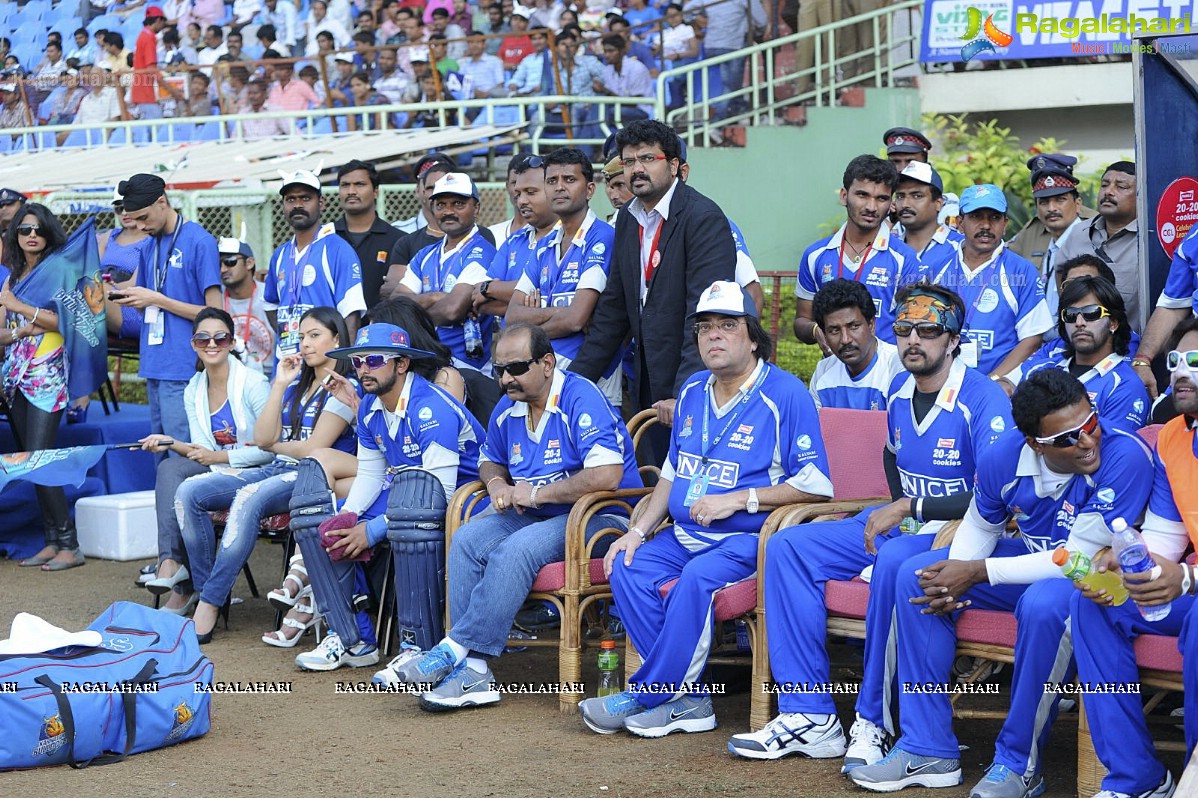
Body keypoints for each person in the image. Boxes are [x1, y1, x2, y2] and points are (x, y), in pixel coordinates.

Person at [729, 282, 1015, 769]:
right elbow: (893, 460)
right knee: (787, 546)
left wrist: (910, 507)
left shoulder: (983, 399)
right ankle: (810, 714)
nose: (913, 340)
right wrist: (898, 505)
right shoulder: (900, 393)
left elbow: (1000, 498)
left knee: (894, 564)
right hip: (898, 524)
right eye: (904, 329)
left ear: (953, 338)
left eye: (928, 330)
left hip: (957, 537)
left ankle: (873, 722)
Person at [848, 369, 1153, 795]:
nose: (1086, 441)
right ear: (1034, 443)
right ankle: (926, 745)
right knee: (921, 577)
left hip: (1102, 581)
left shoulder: (1125, 454)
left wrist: (975, 572)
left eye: (1090, 424)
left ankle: (1017, 764)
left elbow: (1075, 559)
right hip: (1031, 564)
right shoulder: (1003, 457)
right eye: (1066, 438)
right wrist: (956, 575)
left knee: (1044, 603)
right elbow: (980, 526)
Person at [579, 281, 832, 736]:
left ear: (752, 336)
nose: (714, 336)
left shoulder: (785, 395)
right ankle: (689, 701)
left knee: (695, 582)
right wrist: (637, 531)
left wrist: (739, 500)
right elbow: (673, 474)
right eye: (705, 327)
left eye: (727, 326)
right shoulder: (694, 390)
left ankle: (649, 693)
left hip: (748, 542)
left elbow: (816, 486)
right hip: (683, 536)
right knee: (625, 563)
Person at [377, 322, 640, 707]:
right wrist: (498, 485)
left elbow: (607, 475)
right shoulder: (510, 405)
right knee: (467, 539)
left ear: (547, 363)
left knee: (516, 548)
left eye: (516, 368)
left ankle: (454, 649)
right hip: (541, 514)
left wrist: (536, 493)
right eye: (499, 369)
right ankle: (477, 673)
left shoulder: (580, 397)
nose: (504, 379)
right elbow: (488, 460)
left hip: (601, 517)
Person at [292, 322, 483, 671]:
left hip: (469, 501)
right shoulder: (368, 405)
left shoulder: (430, 407)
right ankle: (352, 638)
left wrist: (373, 529)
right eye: (358, 361)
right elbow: (371, 474)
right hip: (408, 495)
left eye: (374, 360)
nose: (363, 368)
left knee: (407, 519)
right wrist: (348, 516)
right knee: (326, 524)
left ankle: (418, 647)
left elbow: (442, 491)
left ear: (402, 364)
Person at [1068, 318, 1198, 798]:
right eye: (1176, 362)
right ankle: (1136, 776)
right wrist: (1131, 567)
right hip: (1190, 584)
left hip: (1195, 590)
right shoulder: (1172, 437)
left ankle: (1192, 778)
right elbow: (1164, 540)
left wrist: (1184, 578)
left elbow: (1181, 572)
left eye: (1196, 363)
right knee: (1098, 604)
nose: (1181, 372)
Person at [176, 308, 357, 642]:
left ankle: (210, 602)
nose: (305, 343)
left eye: (315, 335)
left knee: (247, 498)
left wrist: (279, 445)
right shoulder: (297, 385)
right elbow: (262, 439)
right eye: (301, 336)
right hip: (277, 468)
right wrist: (279, 385)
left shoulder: (344, 388)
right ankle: (207, 591)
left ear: (337, 339)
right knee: (189, 493)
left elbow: (314, 448)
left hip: (311, 478)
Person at [570, 119, 736, 426]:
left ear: (674, 166)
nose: (637, 169)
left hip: (694, 386)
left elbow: (705, 315)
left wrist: (685, 392)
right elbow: (614, 310)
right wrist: (569, 386)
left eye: (648, 158)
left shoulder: (703, 218)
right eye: (629, 161)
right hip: (645, 381)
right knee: (650, 471)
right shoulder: (627, 219)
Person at [139, 307, 272, 614]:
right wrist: (171, 443)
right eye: (203, 338)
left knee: (188, 487)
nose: (211, 345)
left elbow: (271, 450)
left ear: (232, 342)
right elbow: (202, 449)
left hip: (258, 471)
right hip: (218, 469)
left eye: (220, 338)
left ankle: (194, 589)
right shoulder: (194, 388)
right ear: (193, 343)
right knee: (171, 467)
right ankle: (170, 562)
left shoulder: (253, 383)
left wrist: (221, 456)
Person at [2, 205, 91, 571]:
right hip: (15, 375)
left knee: (40, 457)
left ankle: (70, 543)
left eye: (38, 229)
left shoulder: (58, 270)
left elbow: (69, 318)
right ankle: (52, 540)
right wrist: (20, 328)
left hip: (48, 375)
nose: (31, 235)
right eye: (24, 230)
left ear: (49, 233)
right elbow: (7, 327)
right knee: (30, 460)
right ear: (15, 236)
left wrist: (19, 309)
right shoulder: (13, 274)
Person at [115, 173, 221, 453]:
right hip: (154, 363)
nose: (139, 226)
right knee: (159, 455)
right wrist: (133, 298)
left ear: (162, 201)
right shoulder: (149, 245)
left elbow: (217, 314)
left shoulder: (200, 241)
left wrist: (159, 300)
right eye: (133, 220)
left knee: (183, 454)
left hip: (185, 365)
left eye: (143, 217)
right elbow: (149, 297)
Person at [507, 148, 618, 404]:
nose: (559, 187)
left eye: (569, 180)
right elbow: (512, 316)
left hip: (592, 381)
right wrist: (562, 312)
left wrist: (536, 319)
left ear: (589, 190)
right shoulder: (544, 245)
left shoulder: (602, 237)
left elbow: (576, 320)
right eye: (551, 181)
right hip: (544, 377)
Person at [793, 155, 923, 349]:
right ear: (844, 196)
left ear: (891, 204)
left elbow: (915, 326)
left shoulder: (905, 259)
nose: (871, 207)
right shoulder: (815, 255)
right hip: (833, 371)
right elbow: (802, 320)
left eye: (881, 198)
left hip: (889, 374)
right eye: (862, 195)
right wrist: (816, 331)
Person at [933, 184, 1053, 377]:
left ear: (1005, 224)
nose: (986, 226)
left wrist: (993, 382)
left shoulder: (1022, 271)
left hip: (998, 386)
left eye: (995, 218)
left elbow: (1032, 339)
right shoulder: (936, 269)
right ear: (960, 223)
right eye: (976, 217)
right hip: (941, 383)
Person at [397, 172, 499, 374]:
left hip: (468, 369)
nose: (448, 211)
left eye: (458, 204)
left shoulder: (482, 251)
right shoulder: (424, 255)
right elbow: (396, 304)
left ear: (476, 207)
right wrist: (435, 297)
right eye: (441, 205)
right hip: (426, 363)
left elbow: (452, 310)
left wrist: (414, 312)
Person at [1020, 276, 1148, 432]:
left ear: (1113, 323)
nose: (1079, 322)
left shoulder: (1125, 385)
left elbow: (1110, 450)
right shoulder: (1037, 371)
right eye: (1070, 315)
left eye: (1091, 313)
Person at [265, 168, 366, 358]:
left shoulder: (338, 249)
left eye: (305, 198)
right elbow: (270, 304)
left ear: (321, 203)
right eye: (291, 199)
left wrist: (345, 365)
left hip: (325, 365)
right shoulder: (279, 255)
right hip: (286, 365)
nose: (298, 205)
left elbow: (350, 314)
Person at [1055, 161, 1141, 327]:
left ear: (1141, 194)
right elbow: (1060, 271)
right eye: (1104, 185)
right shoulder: (1079, 232)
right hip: (1081, 340)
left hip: (1131, 345)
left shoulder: (1149, 240)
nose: (1108, 192)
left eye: (1121, 187)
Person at [1006, 154, 1095, 314]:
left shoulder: (1094, 235)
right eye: (1044, 202)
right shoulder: (1030, 234)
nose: (1051, 208)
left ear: (1077, 204)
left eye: (1060, 200)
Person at [472, 154, 556, 320]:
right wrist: (525, 304)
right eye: (518, 193)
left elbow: (552, 293)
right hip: (508, 340)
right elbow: (478, 299)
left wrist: (490, 289)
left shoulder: (569, 237)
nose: (521, 201)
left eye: (530, 192)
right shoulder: (514, 240)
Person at [808, 278, 901, 410]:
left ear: (871, 325)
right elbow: (814, 428)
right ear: (824, 334)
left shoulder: (897, 366)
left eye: (854, 326)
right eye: (834, 330)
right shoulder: (823, 372)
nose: (845, 339)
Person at [1136, 207, 1198, 400]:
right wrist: (1142, 361)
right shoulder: (1194, 238)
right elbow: (1172, 307)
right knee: (1160, 413)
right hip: (1194, 367)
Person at [333, 160, 403, 311]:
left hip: (379, 329)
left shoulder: (399, 240)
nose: (351, 191)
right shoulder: (325, 237)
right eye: (345, 185)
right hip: (330, 331)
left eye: (359, 184)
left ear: (376, 191)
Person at [219, 236, 276, 375]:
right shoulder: (215, 298)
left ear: (249, 263)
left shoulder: (269, 295)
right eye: (218, 264)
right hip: (232, 375)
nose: (223, 269)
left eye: (230, 262)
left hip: (271, 373)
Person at [100, 189, 152, 341]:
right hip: (99, 299)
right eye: (118, 207)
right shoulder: (109, 236)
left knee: (91, 285)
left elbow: (135, 284)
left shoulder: (151, 240)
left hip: (131, 306)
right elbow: (89, 269)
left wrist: (107, 286)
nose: (124, 212)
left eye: (128, 206)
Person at [892, 162, 961, 274]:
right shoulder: (888, 247)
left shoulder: (961, 248)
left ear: (938, 203)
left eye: (917, 196)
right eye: (900, 196)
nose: (905, 204)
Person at [595, 34, 653, 124]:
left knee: (607, 112)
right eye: (605, 51)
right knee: (594, 107)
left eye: (611, 51)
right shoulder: (608, 70)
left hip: (640, 110)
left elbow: (634, 102)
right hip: (618, 107)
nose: (606, 55)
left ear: (622, 51)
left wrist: (605, 91)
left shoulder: (636, 68)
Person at [132, 6, 167, 119]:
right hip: (146, 91)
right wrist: (171, 89)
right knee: (157, 130)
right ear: (158, 20)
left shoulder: (142, 34)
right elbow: (151, 69)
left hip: (141, 88)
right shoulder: (148, 37)